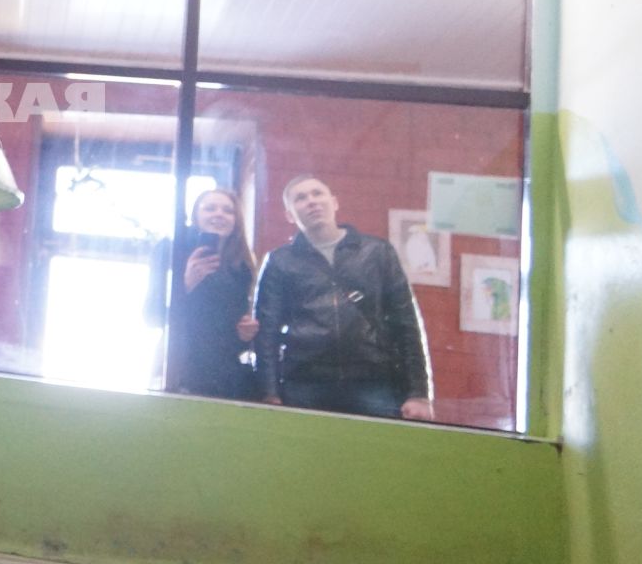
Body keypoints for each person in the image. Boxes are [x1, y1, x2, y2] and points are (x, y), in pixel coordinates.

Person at [251, 175, 434, 420]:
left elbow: (407, 323)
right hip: (305, 383)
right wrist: (269, 392)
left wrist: (419, 393)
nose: (312, 201)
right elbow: (267, 332)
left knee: (375, 454)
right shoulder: (279, 261)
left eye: (318, 193)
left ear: (334, 202)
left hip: (373, 380)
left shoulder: (377, 252)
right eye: (301, 198)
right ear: (290, 215)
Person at [146, 188, 262, 400]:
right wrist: (186, 285)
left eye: (228, 211)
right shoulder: (171, 249)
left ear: (236, 221)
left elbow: (232, 333)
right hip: (177, 365)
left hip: (223, 374)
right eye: (210, 208)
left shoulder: (241, 265)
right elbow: (152, 316)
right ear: (195, 216)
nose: (219, 214)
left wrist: (245, 333)